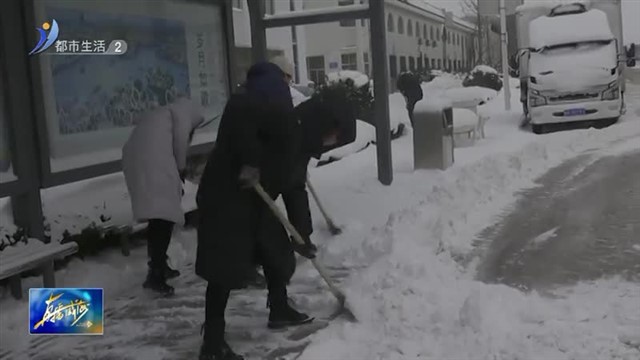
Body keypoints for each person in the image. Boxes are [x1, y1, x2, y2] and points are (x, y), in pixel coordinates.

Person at [195, 62, 354, 360]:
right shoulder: (272, 116)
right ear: (327, 127)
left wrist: (302, 235)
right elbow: (240, 121)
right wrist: (250, 161)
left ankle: (279, 308)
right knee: (223, 268)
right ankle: (213, 344)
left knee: (276, 249)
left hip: (254, 197)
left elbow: (294, 188)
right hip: (226, 197)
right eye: (336, 136)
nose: (334, 143)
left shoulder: (297, 137)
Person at [122, 98, 204, 296]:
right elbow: (180, 143)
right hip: (155, 164)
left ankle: (159, 264)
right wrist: (181, 169)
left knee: (158, 216)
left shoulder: (163, 114)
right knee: (163, 217)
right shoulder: (183, 115)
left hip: (138, 161)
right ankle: (156, 274)